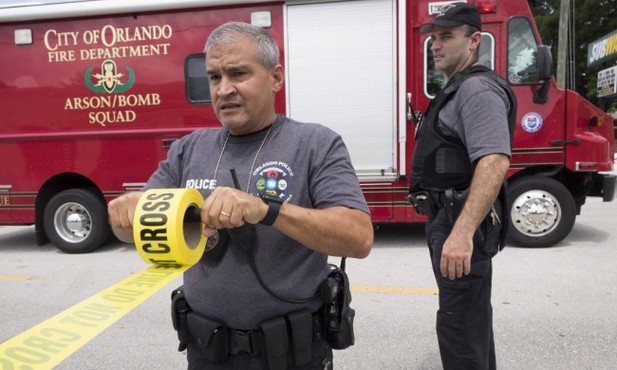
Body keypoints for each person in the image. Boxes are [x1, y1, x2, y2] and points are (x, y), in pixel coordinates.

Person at [108, 22, 373, 370]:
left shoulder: (316, 144)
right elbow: (128, 232)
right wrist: (126, 214)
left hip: (292, 354)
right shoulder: (188, 150)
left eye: (238, 74)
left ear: (275, 77)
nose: (224, 89)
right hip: (207, 351)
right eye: (215, 77)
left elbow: (358, 238)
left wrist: (265, 209)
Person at [409, 3, 516, 369]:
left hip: (459, 224)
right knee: (470, 325)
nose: (435, 45)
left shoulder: (477, 90)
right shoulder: (459, 88)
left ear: (474, 41)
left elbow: (494, 161)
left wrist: (461, 233)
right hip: (449, 219)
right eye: (434, 37)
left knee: (460, 334)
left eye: (447, 36)